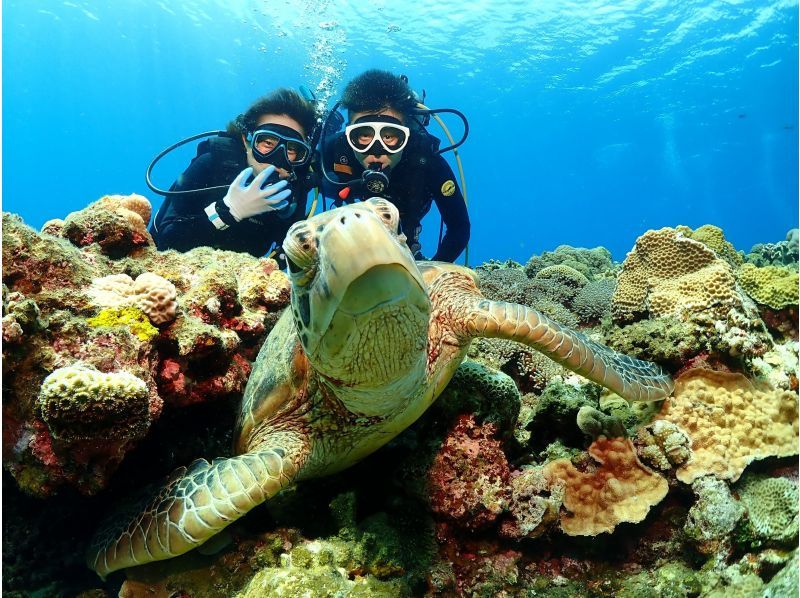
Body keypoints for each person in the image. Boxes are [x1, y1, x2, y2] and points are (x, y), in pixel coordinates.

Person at [321, 70, 469, 262]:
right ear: (349, 133)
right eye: (364, 135)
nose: (376, 150)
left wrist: (431, 275)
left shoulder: (426, 163)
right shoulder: (334, 150)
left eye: (389, 136)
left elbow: (459, 227)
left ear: (406, 135)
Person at [150, 89, 318, 258]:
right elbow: (165, 240)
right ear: (247, 140)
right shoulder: (213, 164)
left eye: (291, 149)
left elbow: (288, 255)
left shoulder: (295, 189)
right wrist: (229, 211)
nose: (277, 159)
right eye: (267, 142)